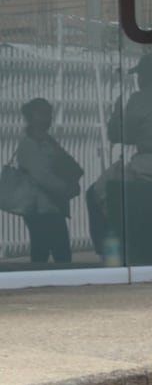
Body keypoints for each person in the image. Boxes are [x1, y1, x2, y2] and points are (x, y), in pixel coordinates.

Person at [85, 52, 152, 259]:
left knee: (97, 191)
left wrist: (117, 111)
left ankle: (109, 248)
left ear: (146, 75)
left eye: (139, 75)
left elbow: (119, 135)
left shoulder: (141, 98)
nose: (138, 79)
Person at [13, 97, 83, 263]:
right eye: (43, 114)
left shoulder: (47, 141)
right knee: (56, 251)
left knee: (45, 249)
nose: (48, 118)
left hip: (50, 205)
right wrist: (65, 188)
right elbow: (42, 176)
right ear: (31, 117)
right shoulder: (30, 144)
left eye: (49, 114)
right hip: (40, 206)